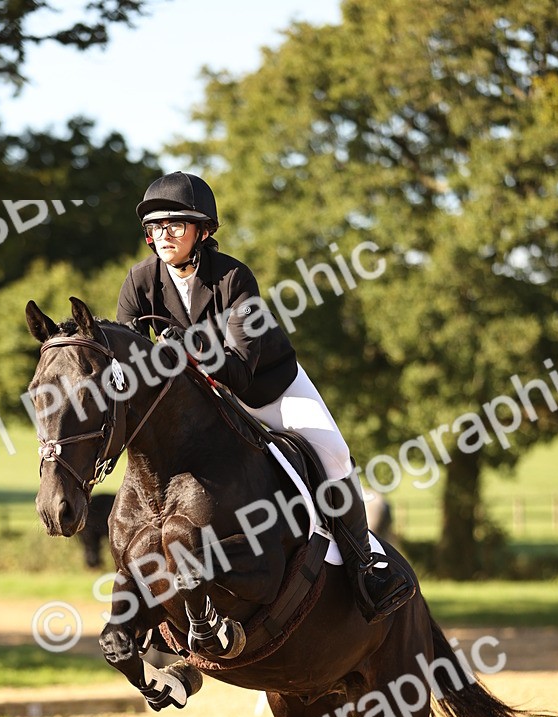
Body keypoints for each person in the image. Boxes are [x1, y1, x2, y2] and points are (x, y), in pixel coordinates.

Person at [116, 170, 416, 623]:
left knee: (333, 454)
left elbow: (238, 370)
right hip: (203, 404)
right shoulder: (139, 282)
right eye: (155, 227)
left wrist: (191, 347)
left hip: (267, 387)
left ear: (203, 230)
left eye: (174, 225)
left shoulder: (234, 278)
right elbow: (129, 358)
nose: (163, 236)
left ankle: (366, 567)